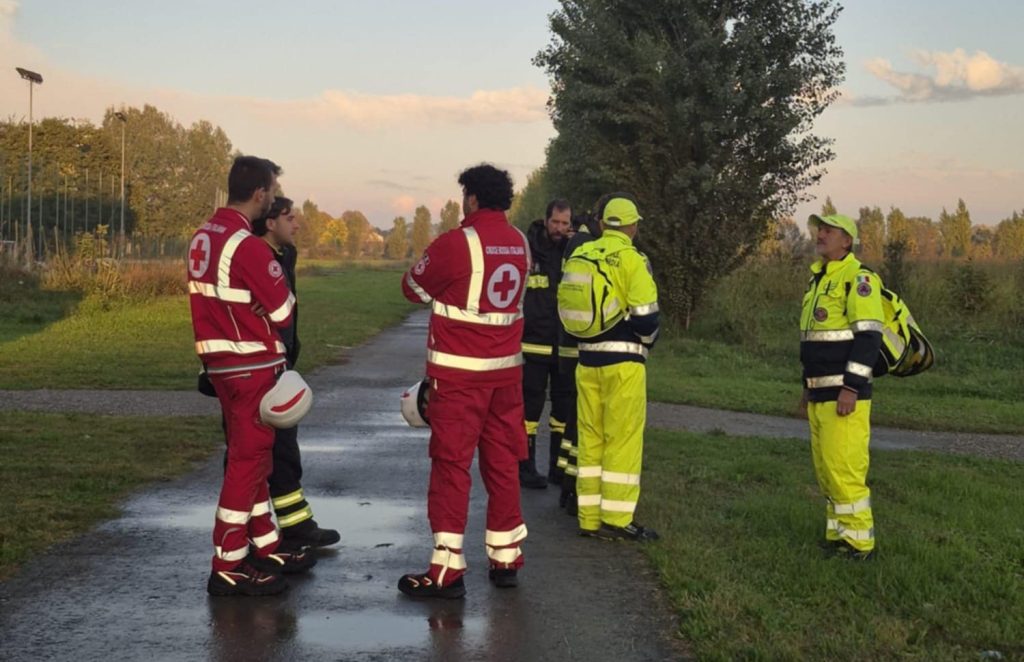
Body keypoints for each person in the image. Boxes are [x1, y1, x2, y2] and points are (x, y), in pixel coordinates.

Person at [399, 164, 530, 598]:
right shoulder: (521, 243)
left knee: (452, 466)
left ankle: (446, 568)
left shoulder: (458, 243)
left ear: (471, 198)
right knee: (503, 463)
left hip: (459, 378)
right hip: (506, 377)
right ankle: (506, 557)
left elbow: (412, 289)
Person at [188, 156, 315, 597]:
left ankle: (265, 545)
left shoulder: (204, 235)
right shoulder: (247, 245)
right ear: (260, 193)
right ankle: (227, 563)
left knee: (255, 459)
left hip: (220, 361)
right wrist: (264, 300)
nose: (275, 198)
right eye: (273, 190)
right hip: (251, 364)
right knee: (247, 463)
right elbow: (283, 309)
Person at [566, 194, 660, 542]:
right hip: (623, 363)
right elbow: (647, 318)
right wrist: (648, 342)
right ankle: (617, 519)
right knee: (622, 439)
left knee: (590, 438)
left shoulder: (581, 252)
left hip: (586, 359)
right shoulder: (634, 259)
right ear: (633, 226)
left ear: (603, 224)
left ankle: (588, 518)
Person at [251, 196, 340, 549]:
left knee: (285, 446)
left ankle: (293, 523)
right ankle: (251, 529)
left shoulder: (285, 255)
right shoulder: (251, 255)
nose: (297, 224)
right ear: (270, 222)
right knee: (256, 449)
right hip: (255, 365)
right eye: (289, 218)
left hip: (281, 361)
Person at [800, 213, 884, 561]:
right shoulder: (819, 279)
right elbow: (815, 340)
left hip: (843, 395)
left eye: (828, 230)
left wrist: (851, 387)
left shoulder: (858, 277)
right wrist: (806, 387)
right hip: (820, 392)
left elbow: (868, 338)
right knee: (827, 469)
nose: (820, 235)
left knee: (844, 469)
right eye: (819, 229)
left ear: (846, 240)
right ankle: (838, 535)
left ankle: (860, 544)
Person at [519, 199, 574, 490]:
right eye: (556, 222)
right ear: (546, 220)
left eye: (565, 223)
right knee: (530, 408)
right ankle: (526, 466)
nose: (560, 229)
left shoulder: (574, 250)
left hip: (565, 344)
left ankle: (558, 467)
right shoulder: (529, 249)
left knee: (562, 410)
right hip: (534, 343)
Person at [554, 212, 602, 515]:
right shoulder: (589, 246)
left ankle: (566, 483)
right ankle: (573, 489)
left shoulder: (575, 245)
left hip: (568, 341)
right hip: (583, 347)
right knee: (582, 421)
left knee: (573, 420)